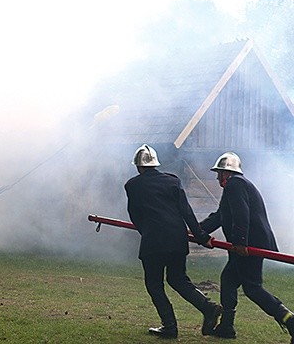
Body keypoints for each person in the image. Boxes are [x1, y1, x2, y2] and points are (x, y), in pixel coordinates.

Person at [124, 144, 222, 338]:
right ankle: (208, 308)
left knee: (154, 284)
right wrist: (202, 238)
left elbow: (134, 215)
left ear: (138, 167)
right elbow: (187, 212)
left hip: (153, 242)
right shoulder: (172, 182)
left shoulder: (132, 185)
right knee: (178, 280)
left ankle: (169, 326)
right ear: (156, 164)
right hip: (177, 240)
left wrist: (147, 231)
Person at [200, 152, 294, 342]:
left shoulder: (235, 185)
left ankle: (291, 321)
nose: (218, 177)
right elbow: (220, 216)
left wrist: (241, 241)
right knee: (228, 280)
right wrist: (195, 229)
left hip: (248, 245)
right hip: (243, 246)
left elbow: (242, 214)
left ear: (227, 173)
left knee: (252, 288)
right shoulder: (235, 187)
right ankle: (227, 326)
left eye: (219, 173)